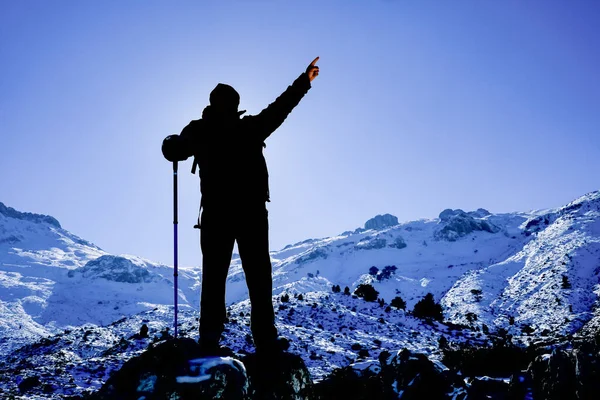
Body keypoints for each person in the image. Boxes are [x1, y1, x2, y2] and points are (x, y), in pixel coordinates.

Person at [162, 57, 320, 356]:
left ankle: (209, 339)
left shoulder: (198, 130)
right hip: (251, 214)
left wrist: (171, 144)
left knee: (214, 277)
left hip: (216, 214)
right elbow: (281, 107)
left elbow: (176, 150)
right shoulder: (250, 128)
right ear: (236, 105)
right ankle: (265, 340)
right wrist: (305, 81)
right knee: (259, 277)